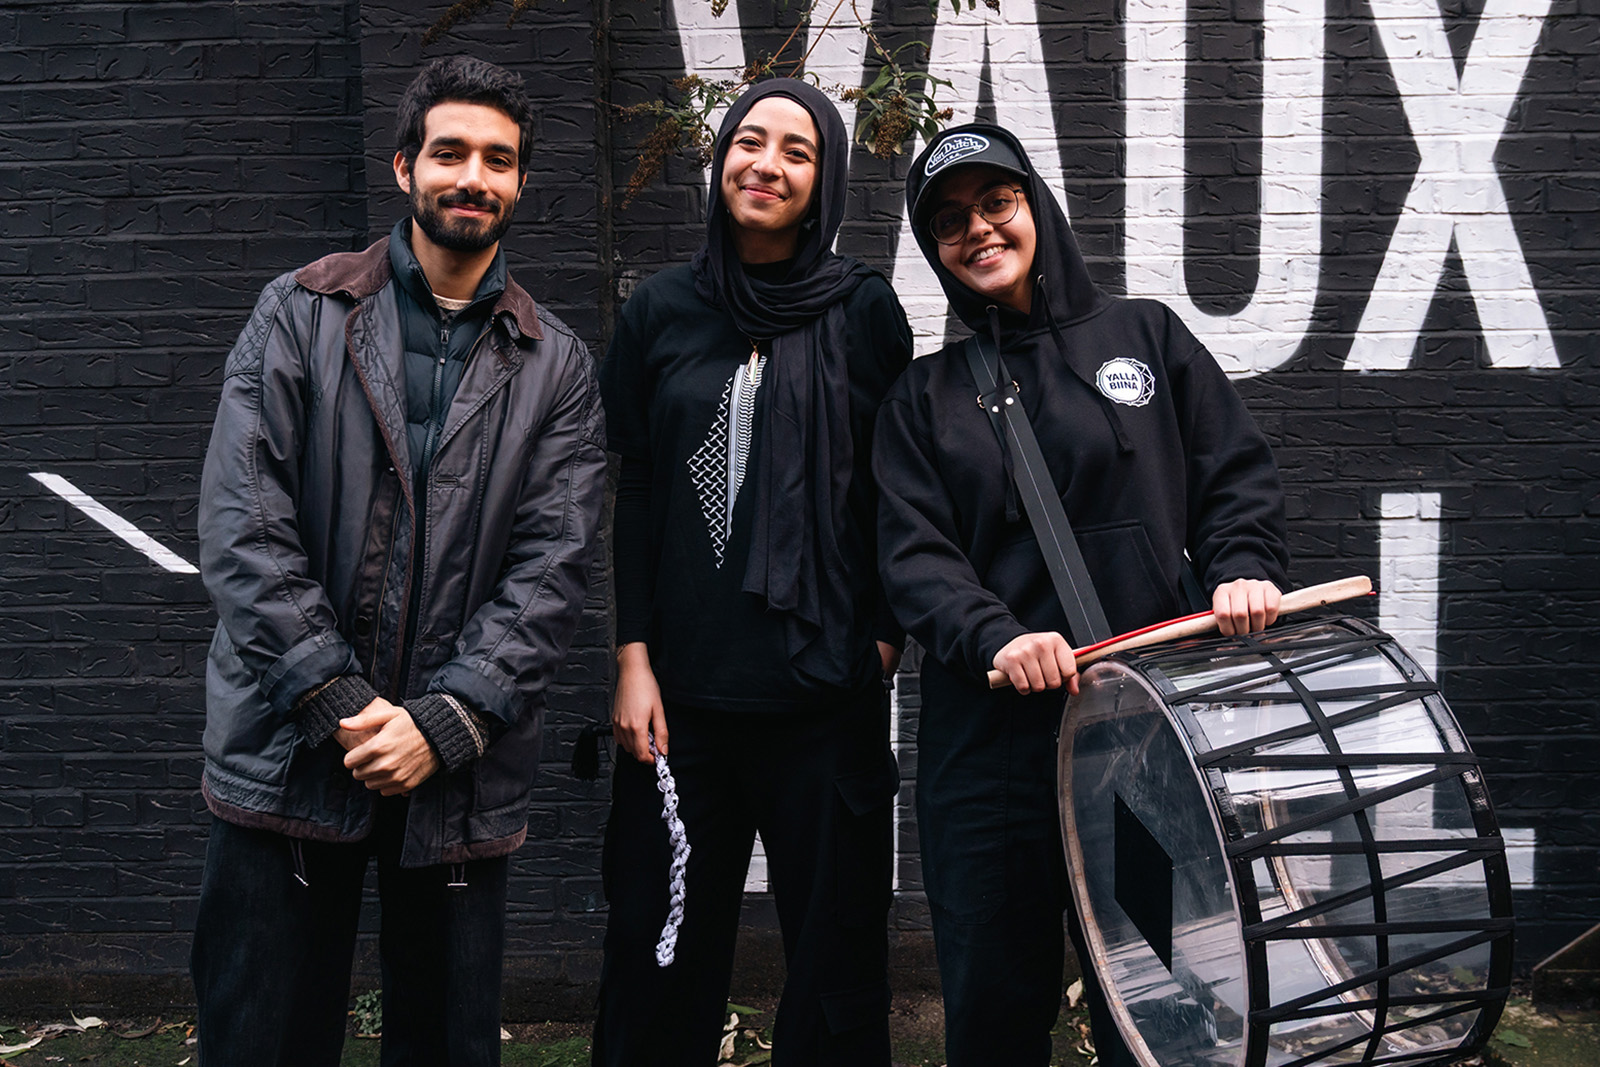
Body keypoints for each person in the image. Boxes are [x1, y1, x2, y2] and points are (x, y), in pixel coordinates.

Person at [190, 56, 606, 1067]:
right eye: (451, 151)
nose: (473, 176)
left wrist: (446, 720)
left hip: (454, 772)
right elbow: (244, 523)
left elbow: (554, 562)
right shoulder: (299, 310)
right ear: (404, 165)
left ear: (518, 183)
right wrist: (338, 703)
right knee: (263, 1036)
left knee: (446, 1044)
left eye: (497, 159)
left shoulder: (556, 364)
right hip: (290, 750)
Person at [872, 123, 1290, 1066]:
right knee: (994, 1003)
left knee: (1160, 1001)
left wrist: (1240, 566)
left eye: (995, 203)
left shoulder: (1145, 336)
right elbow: (913, 556)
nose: (976, 229)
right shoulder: (922, 398)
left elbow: (1234, 476)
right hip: (992, 757)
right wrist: (993, 636)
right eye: (948, 220)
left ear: (1035, 207)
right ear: (934, 248)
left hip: (1142, 738)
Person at [591, 78, 914, 1066]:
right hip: (682, 701)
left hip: (825, 698)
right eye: (749, 141)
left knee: (835, 963)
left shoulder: (863, 311)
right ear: (721, 157)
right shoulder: (660, 310)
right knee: (660, 955)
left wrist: (884, 640)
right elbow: (638, 487)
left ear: (824, 185)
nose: (766, 163)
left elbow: (901, 490)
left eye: (797, 151)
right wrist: (633, 655)